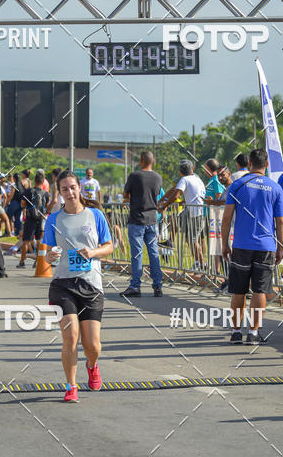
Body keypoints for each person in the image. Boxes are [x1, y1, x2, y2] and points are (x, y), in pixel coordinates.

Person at [43, 170, 113, 403]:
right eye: (64, 189)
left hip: (91, 285)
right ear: (60, 193)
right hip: (63, 285)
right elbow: (46, 255)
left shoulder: (95, 215)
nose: (70, 192)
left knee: (92, 344)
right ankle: (71, 385)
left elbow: (109, 246)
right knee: (70, 336)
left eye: (73, 187)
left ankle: (92, 365)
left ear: (79, 187)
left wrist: (93, 252)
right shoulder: (54, 219)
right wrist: (51, 256)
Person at [221, 149, 283, 345]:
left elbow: (226, 219)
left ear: (249, 163)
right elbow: (281, 223)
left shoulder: (237, 186)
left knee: (238, 290)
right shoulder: (275, 188)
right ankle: (253, 333)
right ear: (266, 165)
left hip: (241, 245)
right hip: (266, 246)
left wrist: (224, 244)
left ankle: (235, 332)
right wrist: (280, 248)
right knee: (260, 290)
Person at [121, 150, 164, 298]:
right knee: (153, 253)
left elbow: (125, 195)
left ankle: (135, 286)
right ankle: (158, 286)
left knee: (137, 254)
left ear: (141, 161)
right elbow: (156, 194)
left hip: (137, 220)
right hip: (152, 220)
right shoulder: (158, 177)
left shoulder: (134, 176)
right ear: (153, 161)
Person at [158, 160, 206, 271]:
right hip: (196, 211)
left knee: (193, 240)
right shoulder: (197, 179)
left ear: (180, 172)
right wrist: (174, 202)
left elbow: (176, 194)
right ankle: (171, 241)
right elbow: (189, 195)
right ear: (192, 169)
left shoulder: (184, 179)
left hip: (195, 213)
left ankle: (203, 264)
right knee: (189, 237)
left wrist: (164, 205)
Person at [17, 170, 49, 268]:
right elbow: (46, 206)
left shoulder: (29, 191)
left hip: (30, 218)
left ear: (34, 181)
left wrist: (27, 206)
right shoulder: (45, 193)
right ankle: (38, 261)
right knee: (39, 240)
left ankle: (22, 262)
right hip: (40, 219)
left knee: (26, 240)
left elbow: (22, 204)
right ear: (43, 182)